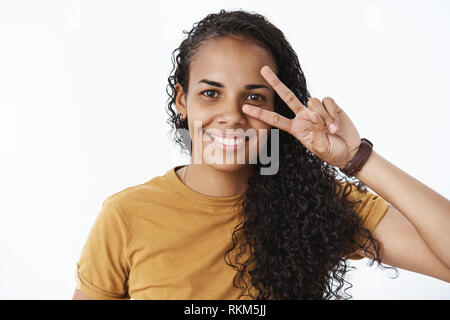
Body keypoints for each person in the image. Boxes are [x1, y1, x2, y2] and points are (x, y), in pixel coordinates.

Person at [73, 9, 450, 300]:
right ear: (181, 100)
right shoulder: (125, 216)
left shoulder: (315, 203)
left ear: (277, 111)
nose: (232, 116)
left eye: (253, 97)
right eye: (210, 93)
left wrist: (356, 158)